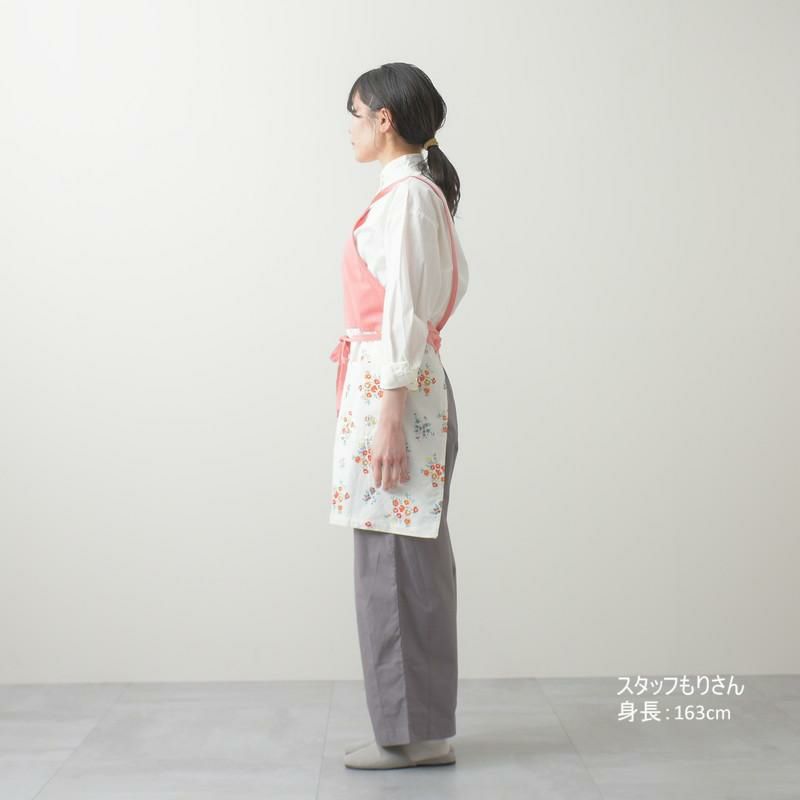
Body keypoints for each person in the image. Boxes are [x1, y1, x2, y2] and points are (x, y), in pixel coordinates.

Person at [328, 63, 469, 770]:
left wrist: (389, 412)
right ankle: (420, 731)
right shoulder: (412, 194)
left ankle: (411, 737)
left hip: (397, 397)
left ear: (384, 119)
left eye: (356, 115)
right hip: (396, 389)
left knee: (395, 565)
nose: (351, 130)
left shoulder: (408, 198)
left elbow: (406, 312)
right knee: (401, 560)